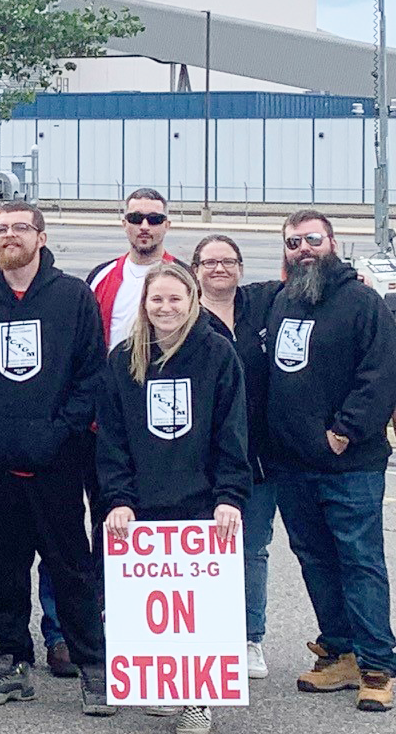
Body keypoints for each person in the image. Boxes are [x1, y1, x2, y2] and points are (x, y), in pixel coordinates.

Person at [0, 202, 111, 716]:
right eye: (1, 229)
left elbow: (91, 377)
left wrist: (62, 433)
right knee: (3, 565)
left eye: (19, 228)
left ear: (40, 236)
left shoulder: (72, 296)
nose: (8, 236)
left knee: (71, 566)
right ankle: (14, 659)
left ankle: (93, 666)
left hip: (58, 460)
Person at [96, 262, 250, 734]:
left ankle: (197, 700)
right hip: (143, 500)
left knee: (198, 608)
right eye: (156, 299)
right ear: (144, 304)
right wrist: (118, 498)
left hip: (200, 500)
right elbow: (113, 438)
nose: (165, 308)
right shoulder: (124, 358)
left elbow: (232, 432)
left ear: (192, 302)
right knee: (152, 604)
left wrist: (230, 496)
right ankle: (164, 685)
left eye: (175, 299)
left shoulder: (218, 354)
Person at [262, 209, 396, 713]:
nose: (302, 249)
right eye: (292, 241)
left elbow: (381, 373)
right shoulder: (282, 301)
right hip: (292, 465)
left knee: (360, 561)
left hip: (350, 465)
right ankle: (339, 652)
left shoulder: (362, 301)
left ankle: (378, 665)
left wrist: (344, 430)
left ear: (333, 242)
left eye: (311, 239)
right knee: (315, 560)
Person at [189, 232, 274, 681]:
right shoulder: (186, 318)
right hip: (199, 459)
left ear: (241, 267)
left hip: (258, 455)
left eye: (227, 261)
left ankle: (248, 637)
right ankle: (203, 637)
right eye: (209, 262)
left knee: (250, 548)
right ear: (195, 269)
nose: (218, 269)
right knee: (202, 550)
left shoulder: (264, 305)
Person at [87, 188, 176, 350]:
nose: (144, 226)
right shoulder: (100, 276)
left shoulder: (185, 277)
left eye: (154, 219)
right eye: (136, 218)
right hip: (113, 373)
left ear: (167, 225)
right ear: (124, 224)